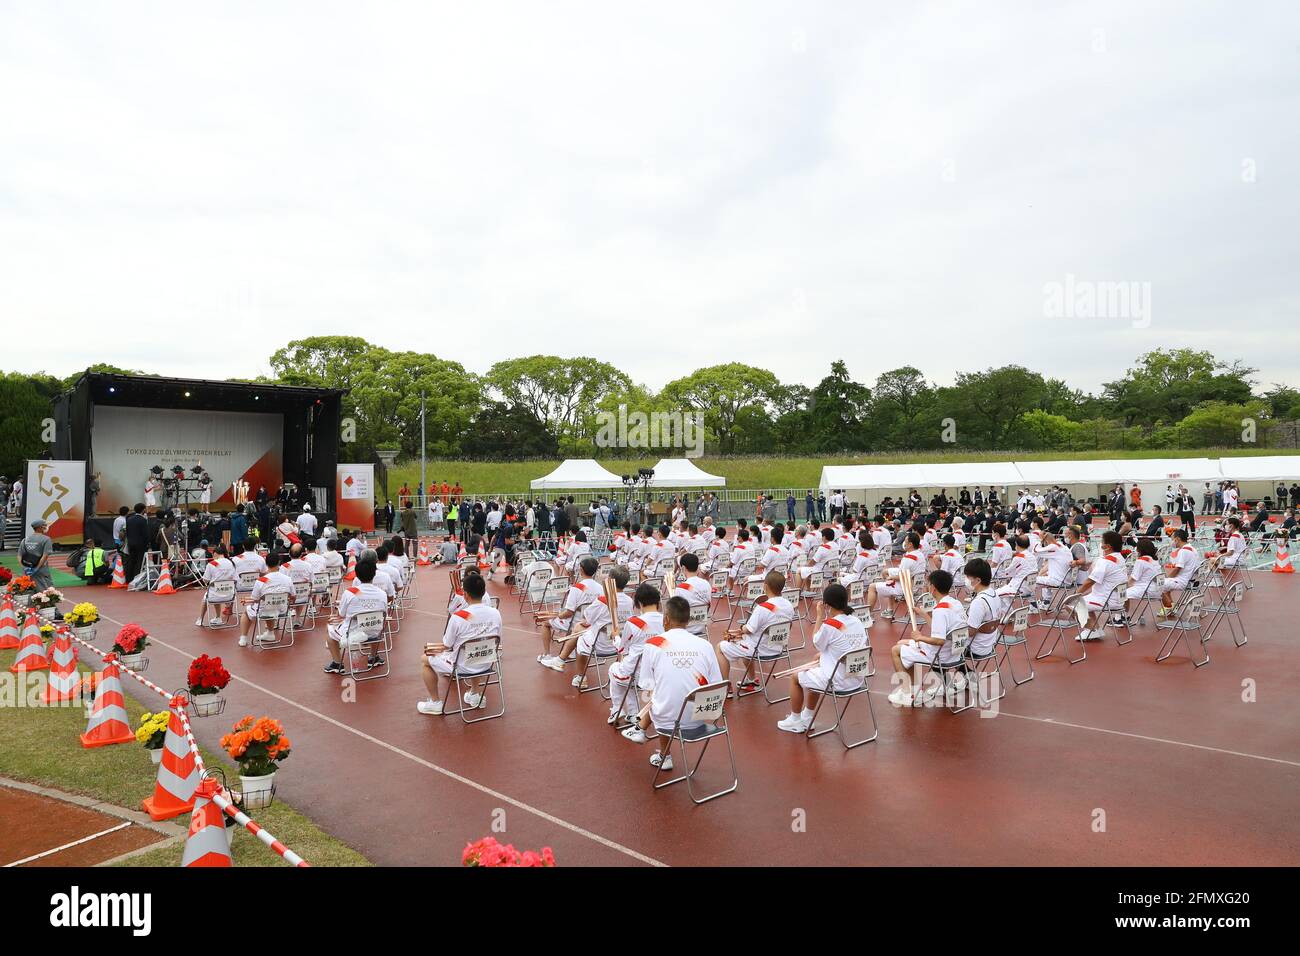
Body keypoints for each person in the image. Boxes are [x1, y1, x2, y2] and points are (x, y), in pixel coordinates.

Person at [619, 596, 722, 772]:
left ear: (665, 619)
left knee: (656, 692)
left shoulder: (653, 644)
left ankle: (657, 747)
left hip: (666, 720)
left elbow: (646, 684)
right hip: (701, 717)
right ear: (688, 620)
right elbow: (717, 684)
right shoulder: (705, 645)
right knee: (669, 690)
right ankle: (643, 731)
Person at [776, 582, 869, 731]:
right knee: (814, 666)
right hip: (856, 678)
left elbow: (816, 642)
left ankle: (795, 719)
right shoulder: (857, 621)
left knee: (795, 677)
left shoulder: (830, 625)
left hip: (839, 681)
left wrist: (819, 616)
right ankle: (808, 716)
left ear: (827, 605)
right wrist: (824, 655)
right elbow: (849, 645)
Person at [417, 572, 502, 714]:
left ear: (465, 594)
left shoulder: (458, 617)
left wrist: (432, 648)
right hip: (486, 662)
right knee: (476, 647)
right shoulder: (495, 613)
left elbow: (447, 645)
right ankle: (475, 694)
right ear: (483, 592)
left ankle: (435, 702)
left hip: (462, 666)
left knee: (425, 659)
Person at [888, 569, 967, 707]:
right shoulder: (955, 604)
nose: (926, 585)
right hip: (955, 653)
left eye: (928, 583)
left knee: (896, 650)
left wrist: (919, 637)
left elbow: (939, 640)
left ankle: (908, 694)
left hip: (940, 655)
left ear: (933, 588)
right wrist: (923, 614)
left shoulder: (940, 611)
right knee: (902, 642)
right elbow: (941, 632)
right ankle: (913, 690)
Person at [554, 566, 633, 689]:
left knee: (579, 631)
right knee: (582, 629)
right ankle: (561, 660)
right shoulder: (629, 601)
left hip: (600, 645)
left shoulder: (603, 600)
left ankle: (580, 676)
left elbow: (587, 619)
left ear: (610, 580)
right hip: (618, 644)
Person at [717, 571, 794, 694]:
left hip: (759, 649)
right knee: (744, 641)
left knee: (720, 647)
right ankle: (751, 680)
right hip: (778, 647)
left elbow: (748, 629)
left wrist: (741, 629)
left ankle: (725, 687)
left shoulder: (762, 608)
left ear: (765, 586)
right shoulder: (789, 605)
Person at [323, 558, 390, 675]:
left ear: (357, 575)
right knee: (375, 624)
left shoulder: (350, 592)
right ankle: (373, 658)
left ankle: (337, 663)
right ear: (374, 574)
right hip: (375, 632)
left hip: (352, 633)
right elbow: (384, 612)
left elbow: (341, 614)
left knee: (330, 628)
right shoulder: (382, 594)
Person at [537, 556, 601, 670]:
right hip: (591, 623)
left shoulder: (577, 588)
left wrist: (557, 615)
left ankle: (547, 655)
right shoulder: (600, 588)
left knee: (545, 622)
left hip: (575, 623)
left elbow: (569, 613)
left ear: (581, 570)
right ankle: (571, 649)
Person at [1075, 530, 1129, 641]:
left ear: (1107, 546)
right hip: (1118, 598)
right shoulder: (1120, 558)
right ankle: (1096, 629)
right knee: (1085, 600)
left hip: (1107, 600)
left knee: (1071, 604)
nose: (1101, 544)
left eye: (1102, 542)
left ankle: (1091, 630)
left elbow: (1090, 581)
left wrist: (1076, 594)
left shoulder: (1105, 562)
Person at [239, 551, 294, 647]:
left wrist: (248, 600)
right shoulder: (287, 579)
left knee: (247, 612)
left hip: (265, 610)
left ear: (266, 564)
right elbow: (293, 596)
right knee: (271, 605)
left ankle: (243, 638)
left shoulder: (261, 580)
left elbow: (255, 599)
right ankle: (270, 633)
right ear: (279, 563)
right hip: (282, 610)